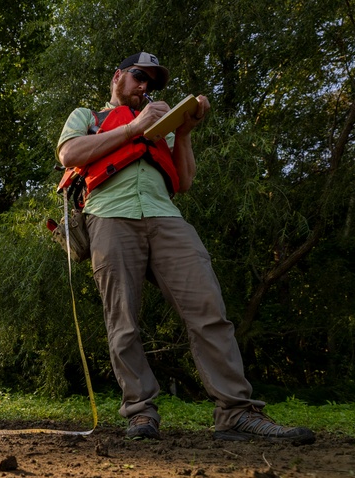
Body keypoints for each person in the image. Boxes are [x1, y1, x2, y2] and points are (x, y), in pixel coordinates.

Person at [57, 52, 314, 444]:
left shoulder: (163, 127)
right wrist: (134, 129)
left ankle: (235, 412)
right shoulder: (88, 117)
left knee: (208, 310)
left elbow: (185, 180)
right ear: (118, 76)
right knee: (123, 322)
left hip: (166, 218)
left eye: (152, 83)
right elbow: (69, 154)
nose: (145, 87)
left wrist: (187, 130)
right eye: (140, 77)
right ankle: (140, 413)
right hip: (109, 216)